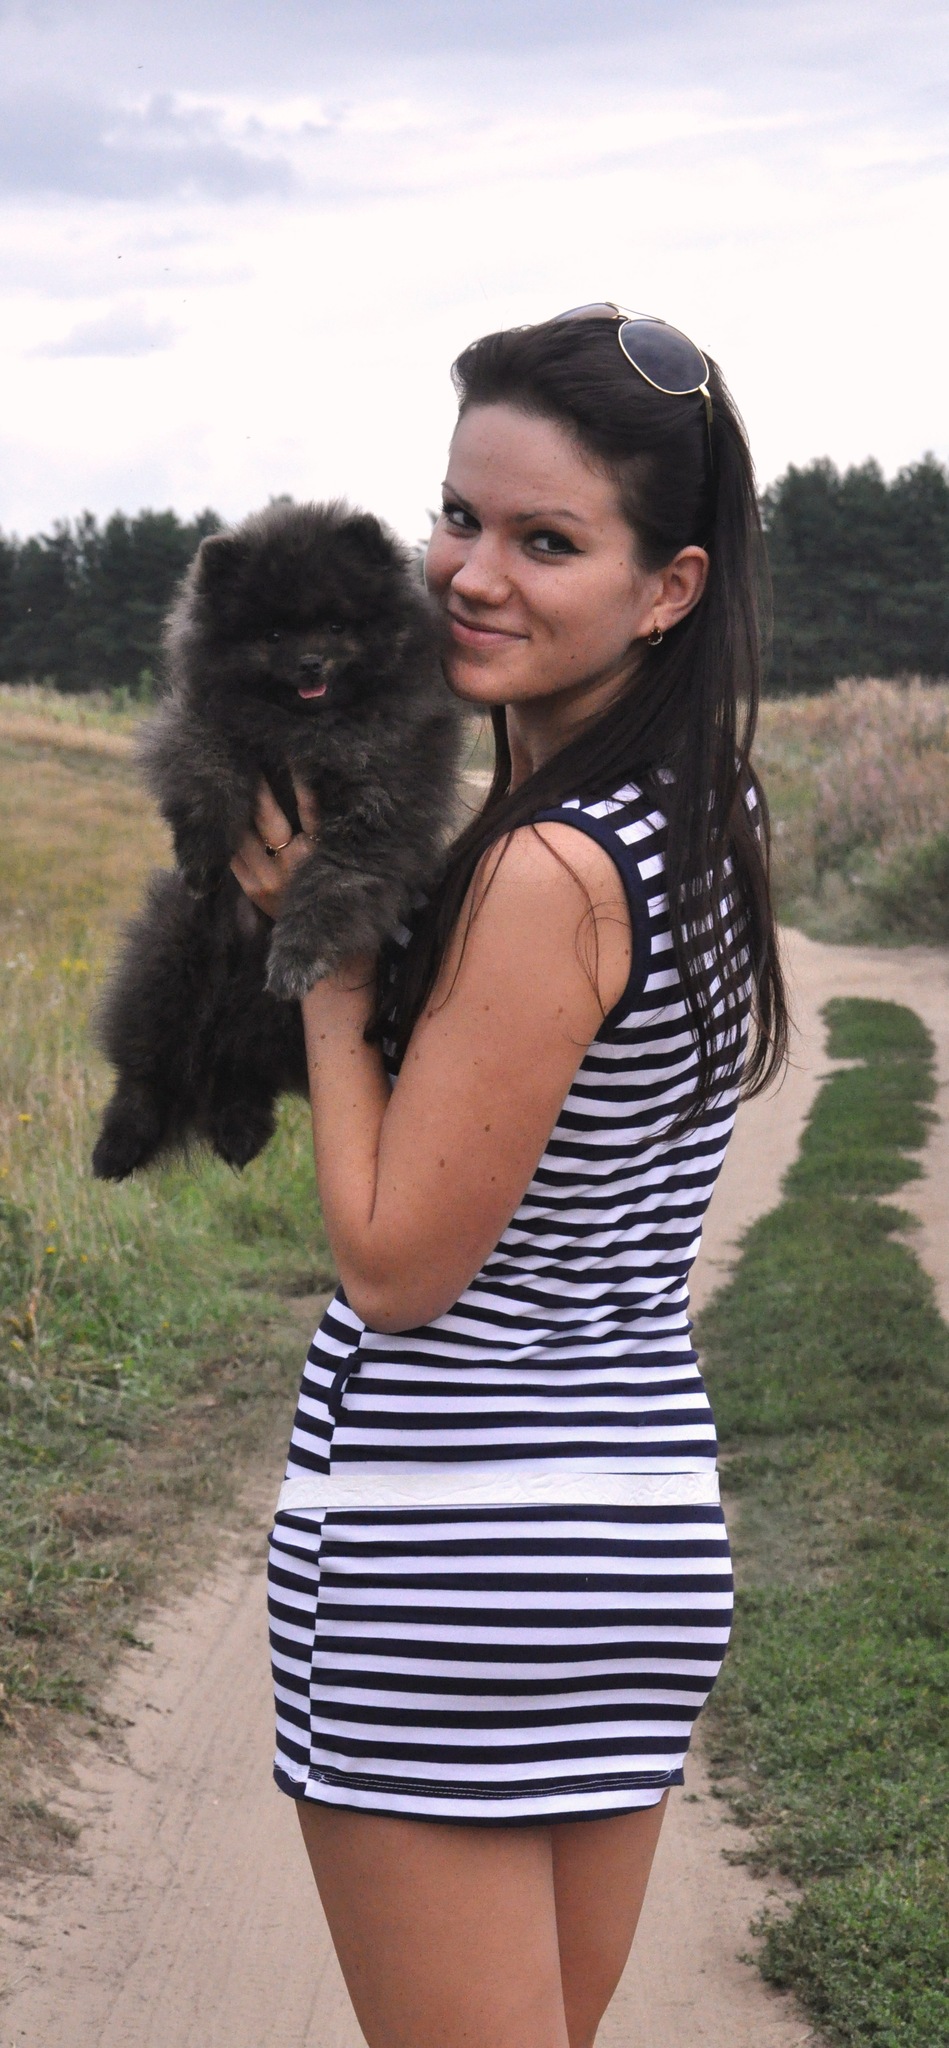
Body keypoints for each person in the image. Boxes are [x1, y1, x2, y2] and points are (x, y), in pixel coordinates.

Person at [231, 304, 788, 2048]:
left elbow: (398, 1268)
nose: (470, 574)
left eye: (546, 541)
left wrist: (326, 953)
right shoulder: (710, 814)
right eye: (458, 515)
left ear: (667, 587)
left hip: (450, 1559)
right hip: (629, 1542)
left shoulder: (548, 872)